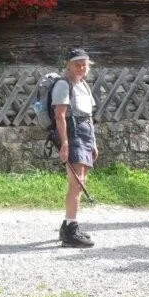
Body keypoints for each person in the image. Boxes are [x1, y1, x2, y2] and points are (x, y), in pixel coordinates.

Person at [53, 48, 98, 248]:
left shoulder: (84, 85)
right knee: (77, 183)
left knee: (81, 181)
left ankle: (68, 226)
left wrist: (94, 143)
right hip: (73, 133)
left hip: (85, 133)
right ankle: (70, 229)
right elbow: (60, 116)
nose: (81, 67)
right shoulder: (64, 85)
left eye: (84, 64)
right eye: (77, 64)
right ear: (68, 65)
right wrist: (64, 143)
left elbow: (89, 117)